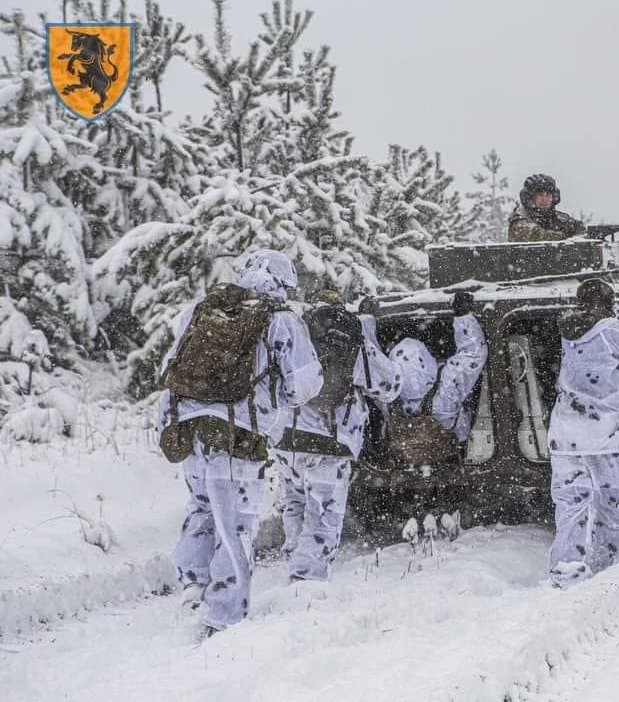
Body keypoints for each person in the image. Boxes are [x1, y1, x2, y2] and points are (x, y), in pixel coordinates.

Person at [158, 250, 323, 635]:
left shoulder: (200, 311)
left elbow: (169, 369)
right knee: (236, 526)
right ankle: (224, 617)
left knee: (201, 507)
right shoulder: (281, 321)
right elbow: (305, 384)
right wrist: (276, 396)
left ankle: (193, 586)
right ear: (283, 282)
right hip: (238, 435)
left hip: (190, 429)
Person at [272, 290, 402, 582]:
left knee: (296, 502)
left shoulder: (293, 332)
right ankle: (306, 579)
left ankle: (295, 559)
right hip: (328, 442)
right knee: (324, 512)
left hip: (286, 438)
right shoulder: (348, 339)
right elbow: (389, 385)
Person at [546, 279, 619, 587]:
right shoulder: (613, 332)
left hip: (566, 435)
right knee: (614, 504)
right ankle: (610, 569)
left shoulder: (568, 330)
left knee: (571, 504)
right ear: (606, 303)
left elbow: (597, 334)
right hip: (604, 435)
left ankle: (567, 568)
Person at [386, 292, 488, 458]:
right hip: (452, 457)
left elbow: (369, 368)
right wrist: (463, 316)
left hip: (406, 467)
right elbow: (473, 354)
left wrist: (365, 321)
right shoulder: (445, 389)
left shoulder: (389, 397)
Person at [507, 173, 585, 242]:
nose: (545, 199)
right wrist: (564, 237)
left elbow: (579, 228)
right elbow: (534, 235)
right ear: (531, 197)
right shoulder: (520, 218)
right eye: (540, 195)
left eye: (548, 195)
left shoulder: (557, 218)